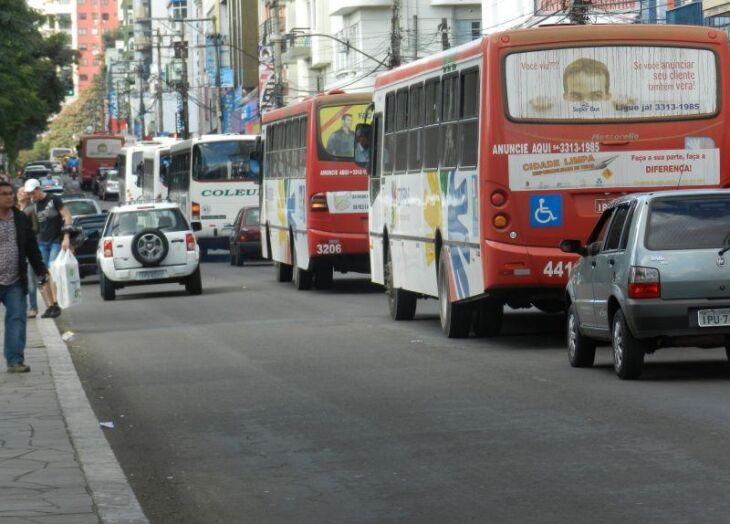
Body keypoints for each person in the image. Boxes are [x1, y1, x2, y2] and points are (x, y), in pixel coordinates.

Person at [0, 181, 49, 373]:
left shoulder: (20, 218)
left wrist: (41, 270)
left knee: (17, 319)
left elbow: (31, 247)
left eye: (10, 193)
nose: (9, 197)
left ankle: (15, 360)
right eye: (4, 194)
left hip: (14, 280)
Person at [24, 178, 72, 318]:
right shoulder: (33, 204)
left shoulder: (54, 200)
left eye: (33, 193)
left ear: (38, 189)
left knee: (51, 269)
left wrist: (66, 237)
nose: (32, 196)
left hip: (56, 240)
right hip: (42, 242)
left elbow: (67, 217)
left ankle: (56, 303)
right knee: (43, 274)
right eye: (30, 194)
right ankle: (51, 305)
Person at [16, 188, 40, 318]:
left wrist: (24, 233)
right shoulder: (14, 210)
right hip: (16, 250)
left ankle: (33, 307)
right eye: (19, 192)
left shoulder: (31, 210)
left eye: (23, 192)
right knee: (19, 281)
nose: (21, 193)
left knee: (30, 280)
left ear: (28, 195)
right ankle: (22, 308)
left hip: (28, 249)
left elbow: (36, 229)